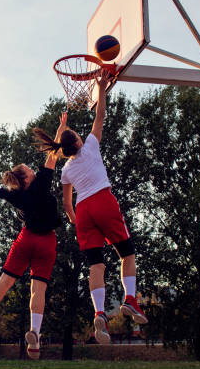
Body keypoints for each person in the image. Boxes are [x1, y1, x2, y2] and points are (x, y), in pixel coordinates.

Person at [33, 77, 148, 345]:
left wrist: (75, 221)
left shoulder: (66, 170)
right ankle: (130, 299)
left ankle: (99, 312)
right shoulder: (91, 145)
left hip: (83, 211)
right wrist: (101, 86)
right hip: (103, 201)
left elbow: (66, 204)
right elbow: (100, 114)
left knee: (96, 265)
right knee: (127, 254)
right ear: (79, 142)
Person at [0, 115, 66, 360]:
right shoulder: (41, 183)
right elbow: (52, 154)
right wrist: (61, 127)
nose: (33, 169)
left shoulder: (16, 195)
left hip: (26, 239)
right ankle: (34, 334)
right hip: (46, 242)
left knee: (5, 280)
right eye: (29, 170)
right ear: (27, 178)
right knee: (38, 289)